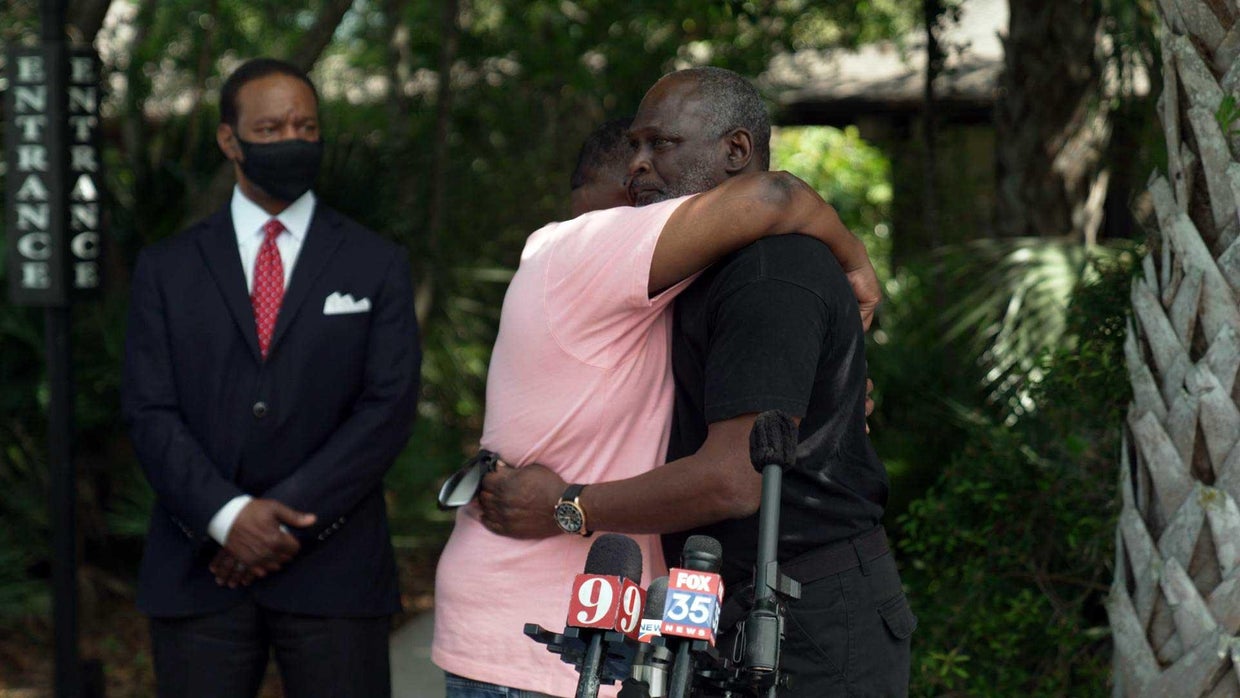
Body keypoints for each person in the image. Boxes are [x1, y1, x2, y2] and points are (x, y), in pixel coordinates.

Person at [480, 67, 913, 697]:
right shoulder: (699, 268)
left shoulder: (769, 268)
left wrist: (566, 505)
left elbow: (732, 480)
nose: (637, 167)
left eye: (660, 145)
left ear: (737, 151)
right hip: (723, 602)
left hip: (810, 608)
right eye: (633, 147)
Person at [121, 57, 420, 698]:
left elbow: (388, 406)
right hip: (197, 573)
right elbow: (149, 408)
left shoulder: (377, 263)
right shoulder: (166, 269)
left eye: (306, 127)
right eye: (271, 129)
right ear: (230, 140)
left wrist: (278, 526)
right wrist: (226, 517)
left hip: (336, 573)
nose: (292, 141)